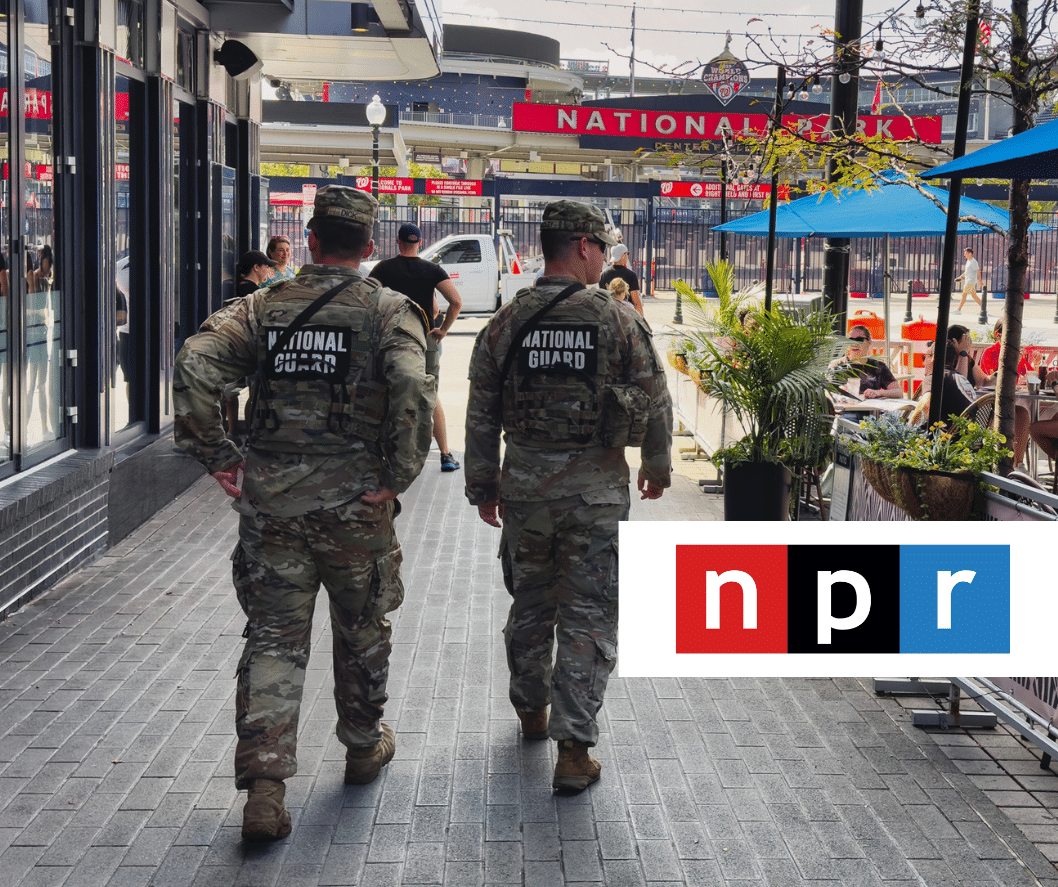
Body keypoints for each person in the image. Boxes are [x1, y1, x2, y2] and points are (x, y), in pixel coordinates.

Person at [173, 185, 435, 843]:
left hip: (274, 511)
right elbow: (411, 385)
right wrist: (396, 472)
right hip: (355, 509)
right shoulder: (388, 311)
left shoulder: (263, 308)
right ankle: (361, 743)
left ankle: (265, 788)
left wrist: (222, 457)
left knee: (273, 639)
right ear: (369, 247)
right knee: (363, 627)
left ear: (312, 240)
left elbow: (195, 363)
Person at [464, 200, 673, 793]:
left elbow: (481, 412)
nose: (605, 258)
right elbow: (654, 396)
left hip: (525, 492)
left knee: (531, 604)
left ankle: (532, 710)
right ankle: (574, 749)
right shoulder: (617, 320)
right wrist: (656, 466)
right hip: (595, 496)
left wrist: (483, 485)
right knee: (588, 615)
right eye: (602, 247)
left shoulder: (506, 322)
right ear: (582, 246)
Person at [369, 222, 464, 472]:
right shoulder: (432, 269)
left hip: (392, 339)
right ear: (419, 243)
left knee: (390, 391)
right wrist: (442, 330)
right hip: (426, 340)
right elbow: (455, 301)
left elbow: (367, 297)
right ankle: (445, 454)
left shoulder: (384, 268)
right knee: (429, 396)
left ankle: (391, 452)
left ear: (398, 242)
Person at [830, 325, 903, 398]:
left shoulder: (878, 366)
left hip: (869, 408)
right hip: (844, 407)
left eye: (859, 340)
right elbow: (826, 390)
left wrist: (879, 392)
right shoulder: (837, 365)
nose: (854, 344)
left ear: (869, 342)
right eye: (851, 340)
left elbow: (898, 392)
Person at [599, 244, 644, 316]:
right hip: (626, 316)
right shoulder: (631, 275)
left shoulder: (603, 274)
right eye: (627, 253)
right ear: (623, 255)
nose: (628, 256)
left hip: (608, 314)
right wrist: (641, 319)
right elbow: (636, 300)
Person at [954, 246, 981, 313]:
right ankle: (984, 308)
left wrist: (980, 281)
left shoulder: (973, 262)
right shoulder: (968, 261)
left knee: (964, 295)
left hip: (970, 281)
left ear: (970, 253)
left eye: (965, 253)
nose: (964, 255)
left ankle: (958, 310)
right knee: (974, 296)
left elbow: (978, 271)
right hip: (969, 280)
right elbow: (966, 272)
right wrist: (960, 277)